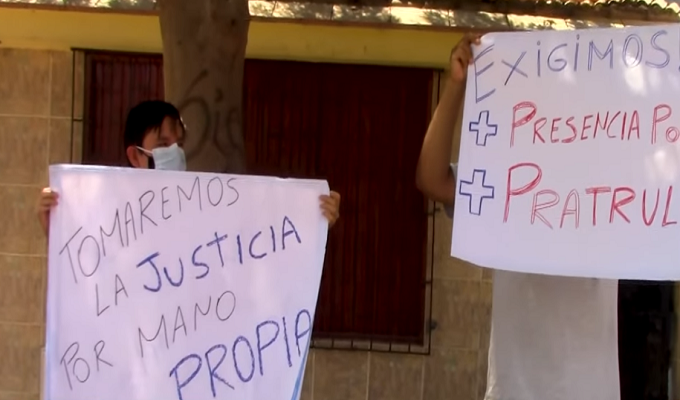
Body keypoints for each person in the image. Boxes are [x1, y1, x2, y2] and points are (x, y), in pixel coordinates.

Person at [415, 35, 620, 400]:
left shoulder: (615, 181)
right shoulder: (508, 179)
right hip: (514, 391)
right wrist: (456, 86)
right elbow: (431, 179)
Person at [37, 100, 341, 236]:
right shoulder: (106, 216)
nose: (175, 152)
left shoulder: (206, 211)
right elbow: (84, 273)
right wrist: (57, 227)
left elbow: (259, 246)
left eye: (179, 143)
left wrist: (312, 223)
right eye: (163, 143)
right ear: (135, 156)